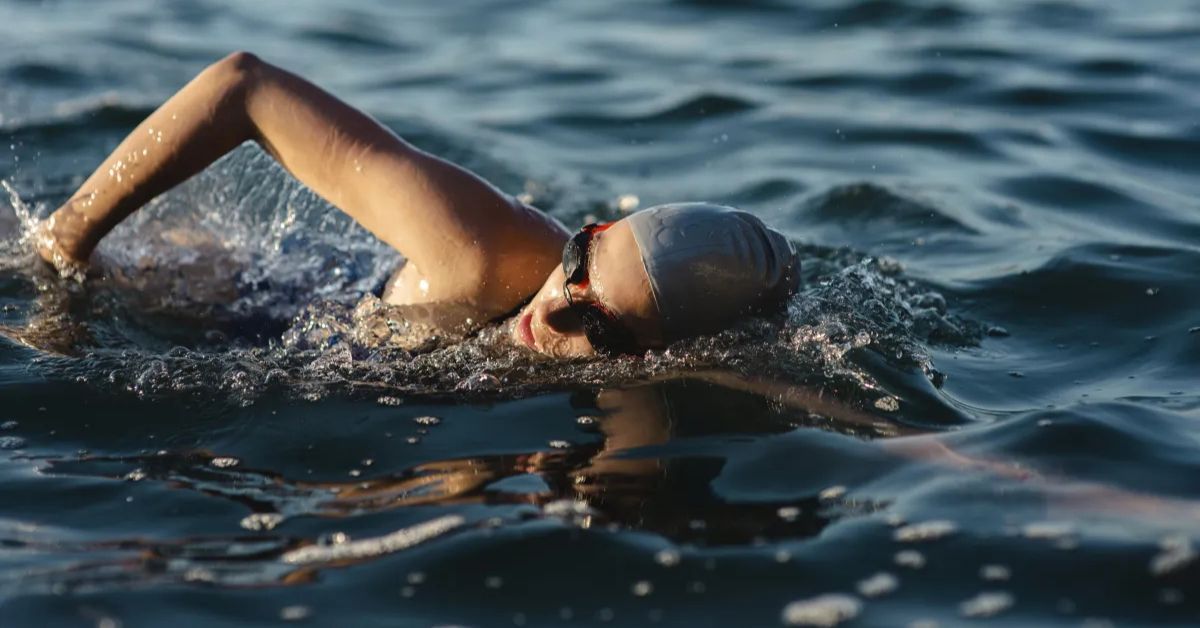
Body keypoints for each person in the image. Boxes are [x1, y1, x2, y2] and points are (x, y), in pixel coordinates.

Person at [34, 52, 798, 358]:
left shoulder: (665, 362)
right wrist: (66, 248)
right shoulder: (486, 253)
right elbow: (243, 87)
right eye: (578, 264)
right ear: (587, 231)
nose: (554, 314)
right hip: (230, 294)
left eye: (599, 326)